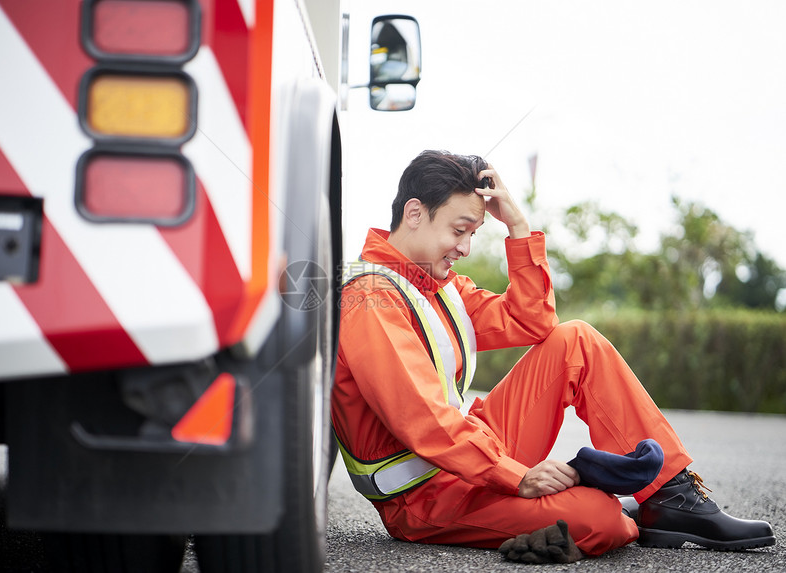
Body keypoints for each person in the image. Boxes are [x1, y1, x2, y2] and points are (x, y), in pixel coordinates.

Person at [331, 149, 775, 563]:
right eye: (459, 230)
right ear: (414, 213)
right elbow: (424, 421)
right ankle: (592, 491)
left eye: (472, 234)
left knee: (575, 340)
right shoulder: (371, 299)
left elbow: (532, 323)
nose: (465, 248)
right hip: (427, 496)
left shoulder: (437, 288)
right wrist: (517, 476)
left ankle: (671, 497)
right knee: (602, 522)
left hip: (470, 460)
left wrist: (518, 230)